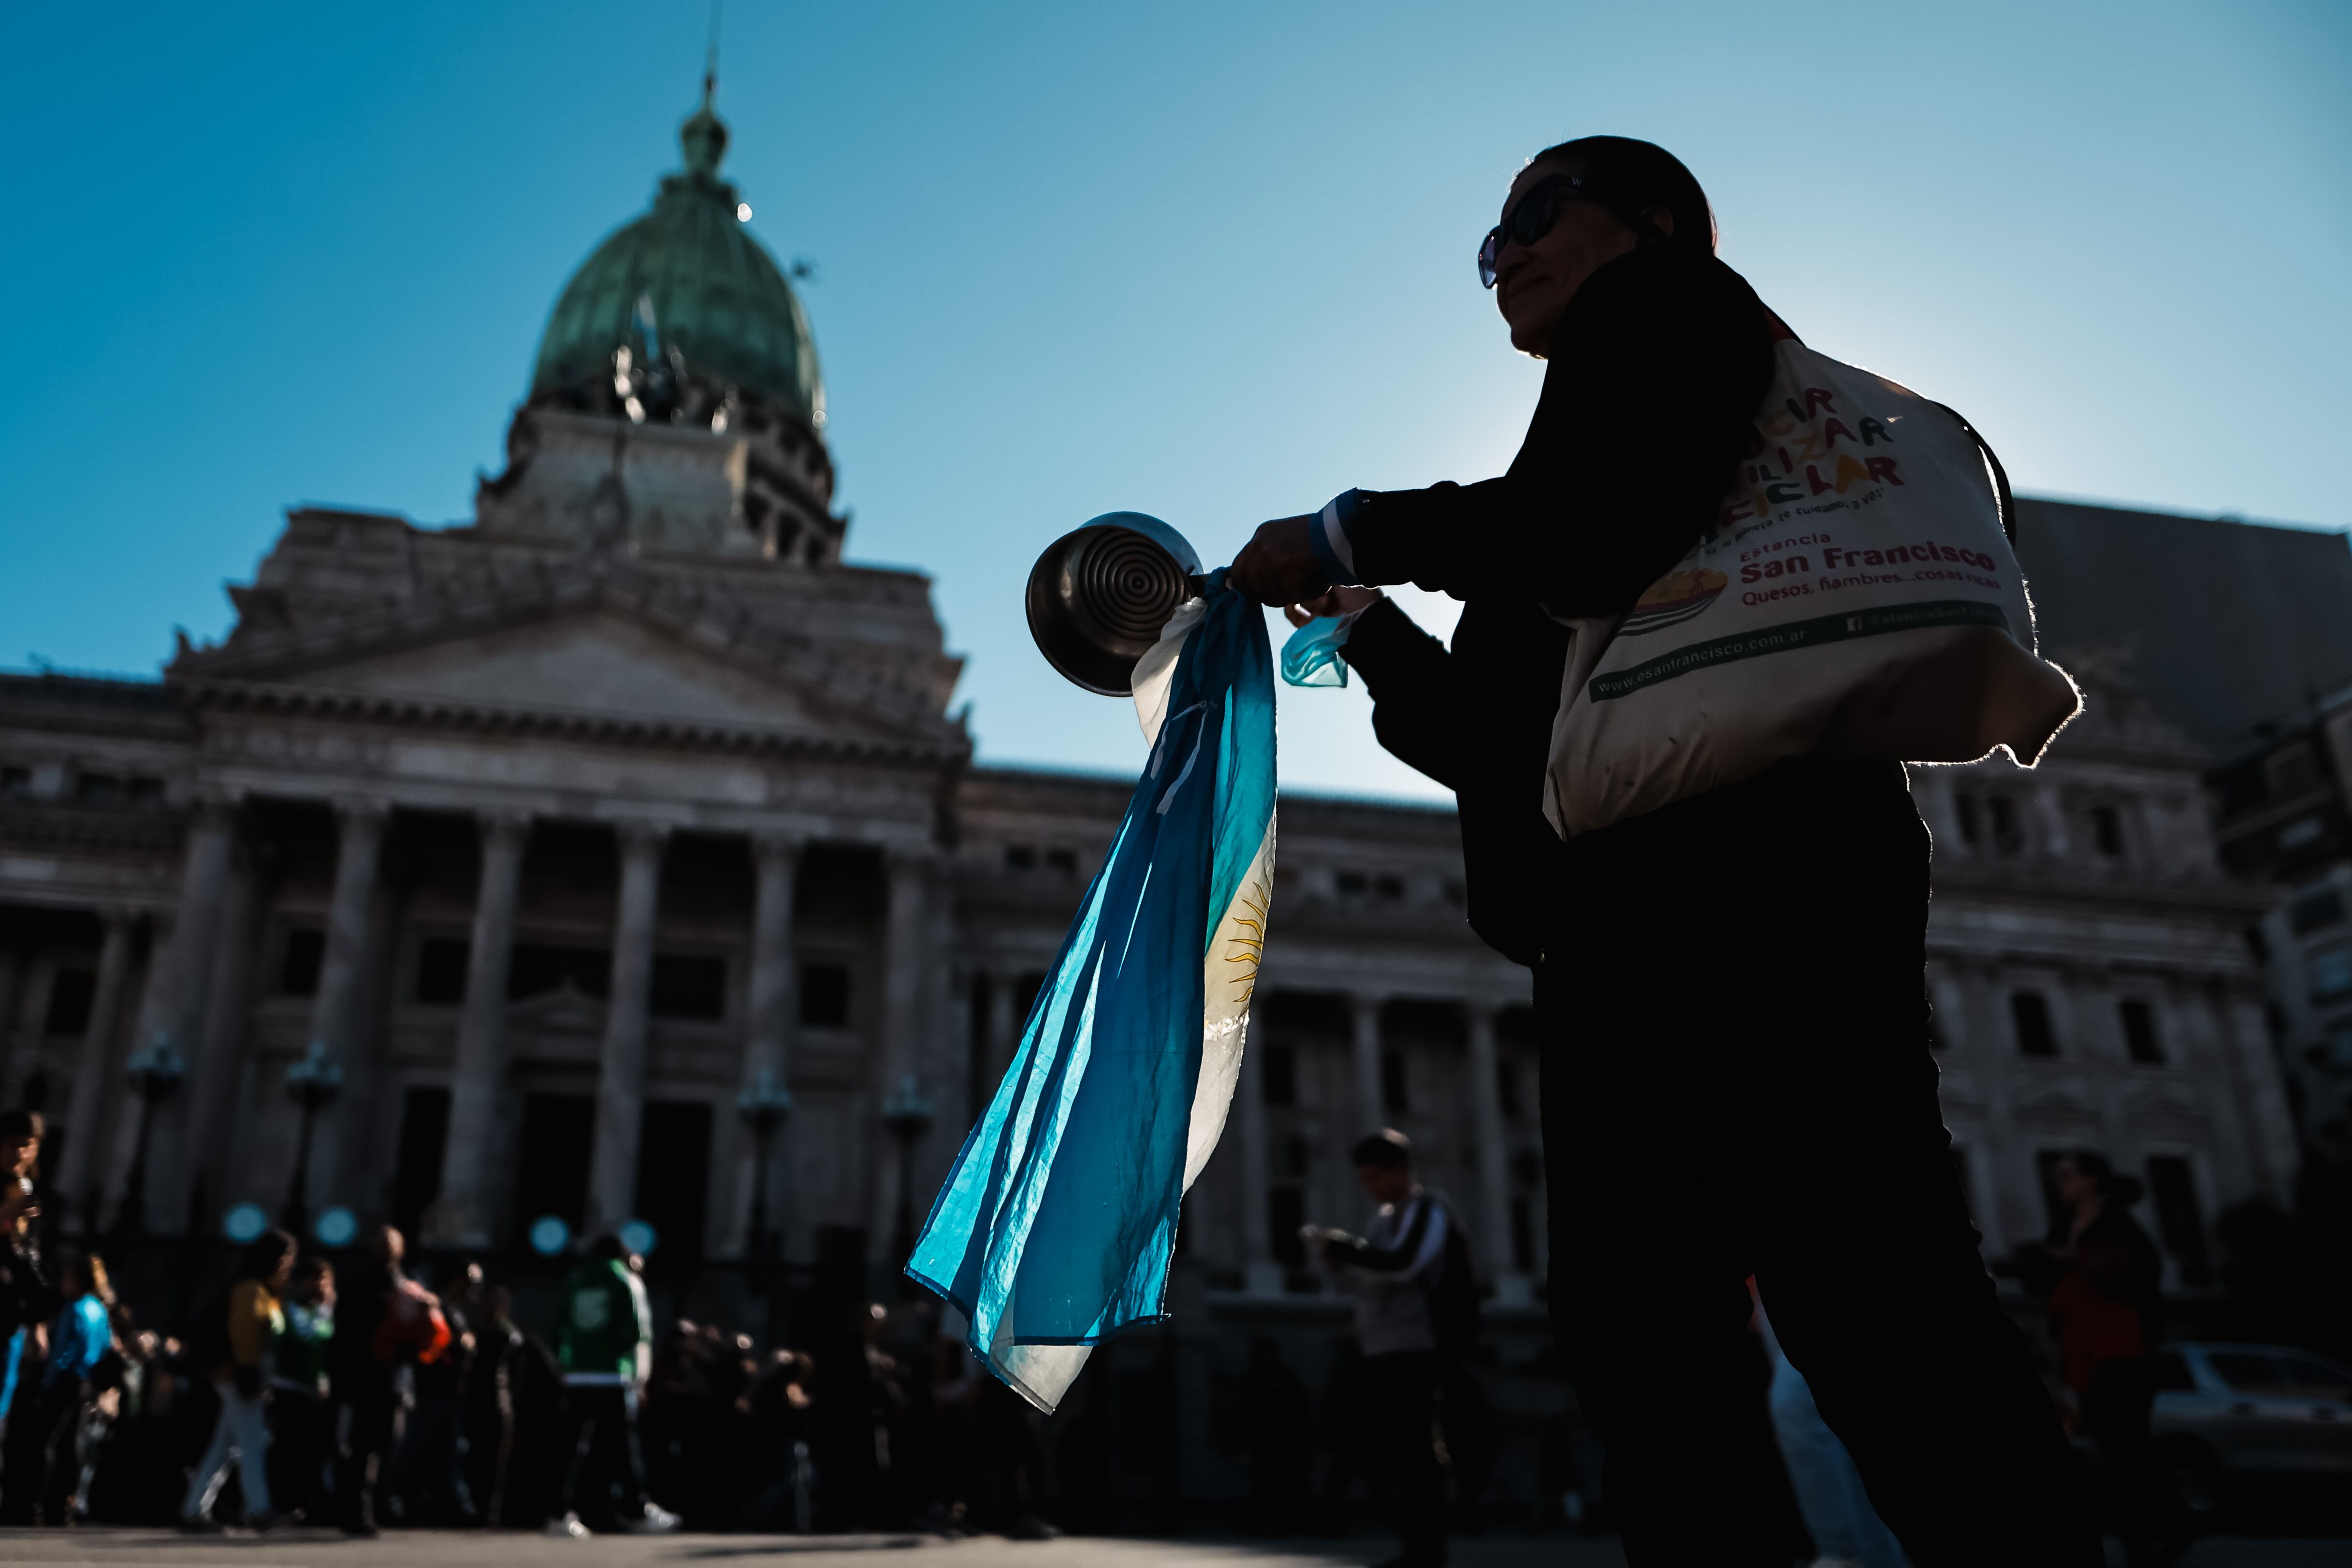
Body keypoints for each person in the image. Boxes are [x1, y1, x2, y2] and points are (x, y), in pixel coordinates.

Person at [1229, 136, 2093, 1565]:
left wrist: (1347, 524)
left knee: (1850, 1314)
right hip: (1642, 910)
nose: (1503, 252)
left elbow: (1577, 534)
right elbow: (1492, 740)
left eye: (1528, 214)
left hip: (1734, 887)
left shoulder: (1672, 315)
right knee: (1692, 1339)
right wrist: (1355, 615)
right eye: (1487, 238)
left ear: (1650, 221)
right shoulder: (1602, 428)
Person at [1307, 1130, 1453, 1568]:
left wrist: (1348, 1249)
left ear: (1400, 1170)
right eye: (1365, 1180)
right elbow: (1370, 1281)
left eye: (1376, 1178)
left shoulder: (1427, 1211)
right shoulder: (1384, 1220)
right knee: (1387, 1449)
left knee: (1412, 1449)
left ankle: (1427, 1547)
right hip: (1380, 1345)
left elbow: (1404, 1265)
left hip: (1414, 1344)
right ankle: (1414, 1543)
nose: (1371, 1189)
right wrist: (1343, 1261)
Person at [2010, 1150, 2166, 1560]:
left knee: (2129, 1442)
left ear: (2092, 1179)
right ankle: (2139, 1532)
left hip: (2123, 1347)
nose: (2060, 1183)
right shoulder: (2063, 1228)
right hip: (2081, 1350)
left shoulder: (2118, 1226)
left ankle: (2147, 1539)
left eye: (2066, 1175)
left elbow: (2141, 1275)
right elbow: (2045, 1284)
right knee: (2107, 1443)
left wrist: (2080, 1262)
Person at [549, 1234, 677, 1537]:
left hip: (578, 1375)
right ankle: (638, 1509)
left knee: (572, 1447)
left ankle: (560, 1512)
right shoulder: (625, 1281)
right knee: (622, 1445)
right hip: (612, 1374)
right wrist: (635, 1373)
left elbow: (559, 1328)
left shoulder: (576, 1280)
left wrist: (569, 1363)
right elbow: (636, 1332)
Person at [180, 1228, 296, 1532]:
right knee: (252, 1443)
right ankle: (258, 1509)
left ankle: (194, 1509)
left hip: (239, 1376)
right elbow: (246, 1337)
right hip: (238, 1376)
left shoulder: (259, 1290)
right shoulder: (252, 1291)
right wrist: (250, 1376)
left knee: (225, 1448)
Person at [25, 1252, 117, 1524]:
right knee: (72, 1444)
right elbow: (104, 1348)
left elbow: (62, 1354)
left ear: (77, 1282)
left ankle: (37, 1500)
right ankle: (63, 1502)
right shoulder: (100, 1310)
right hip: (86, 1383)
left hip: (65, 1380)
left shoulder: (74, 1309)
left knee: (46, 1441)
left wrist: (46, 1384)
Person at [330, 1224, 407, 1536]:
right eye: (380, 1246)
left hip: (391, 1380)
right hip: (363, 1379)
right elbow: (344, 1334)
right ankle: (354, 1511)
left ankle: (372, 1505)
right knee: (361, 1448)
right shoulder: (361, 1285)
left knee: (384, 1445)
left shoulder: (405, 1286)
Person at [266, 1257, 335, 1522]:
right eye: (315, 1279)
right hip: (289, 1389)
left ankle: (308, 1502)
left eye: (325, 1279)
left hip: (314, 1393)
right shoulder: (291, 1308)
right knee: (288, 1449)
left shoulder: (323, 1311)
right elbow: (305, 1339)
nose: (321, 1285)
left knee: (312, 1451)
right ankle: (282, 1502)